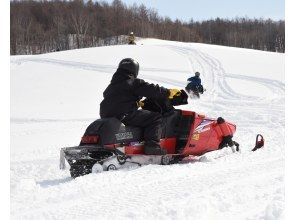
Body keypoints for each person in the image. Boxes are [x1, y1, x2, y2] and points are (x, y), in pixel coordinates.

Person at [100, 58, 181, 155]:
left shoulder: (111, 86)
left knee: (142, 117)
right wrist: (168, 92)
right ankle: (152, 147)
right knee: (155, 118)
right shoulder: (132, 82)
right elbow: (150, 89)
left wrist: (136, 103)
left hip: (108, 116)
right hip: (125, 114)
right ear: (134, 70)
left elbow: (118, 100)